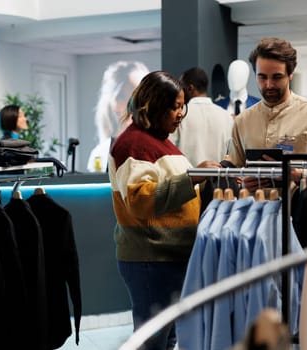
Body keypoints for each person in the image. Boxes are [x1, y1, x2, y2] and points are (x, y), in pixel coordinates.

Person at [108, 70, 217, 349]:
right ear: (155, 105)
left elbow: (176, 195)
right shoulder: (134, 144)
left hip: (165, 258)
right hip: (151, 259)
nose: (181, 114)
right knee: (153, 341)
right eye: (175, 106)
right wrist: (192, 176)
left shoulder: (160, 141)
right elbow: (141, 201)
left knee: (166, 339)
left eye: (183, 106)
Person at [224, 37, 307, 225]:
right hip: (254, 224)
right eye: (262, 77)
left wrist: (299, 175)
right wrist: (242, 181)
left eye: (277, 77)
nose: (269, 85)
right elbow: (235, 169)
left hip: (303, 222)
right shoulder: (242, 121)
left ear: (290, 74)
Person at [87, 60, 149, 172]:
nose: (134, 105)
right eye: (123, 97)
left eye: (140, 97)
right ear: (114, 102)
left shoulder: (159, 145)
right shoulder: (101, 153)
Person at [169, 67, 234, 167]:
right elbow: (231, 155)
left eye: (181, 87)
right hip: (217, 180)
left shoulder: (179, 114)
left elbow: (169, 150)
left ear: (190, 88)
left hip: (187, 180)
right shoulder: (226, 117)